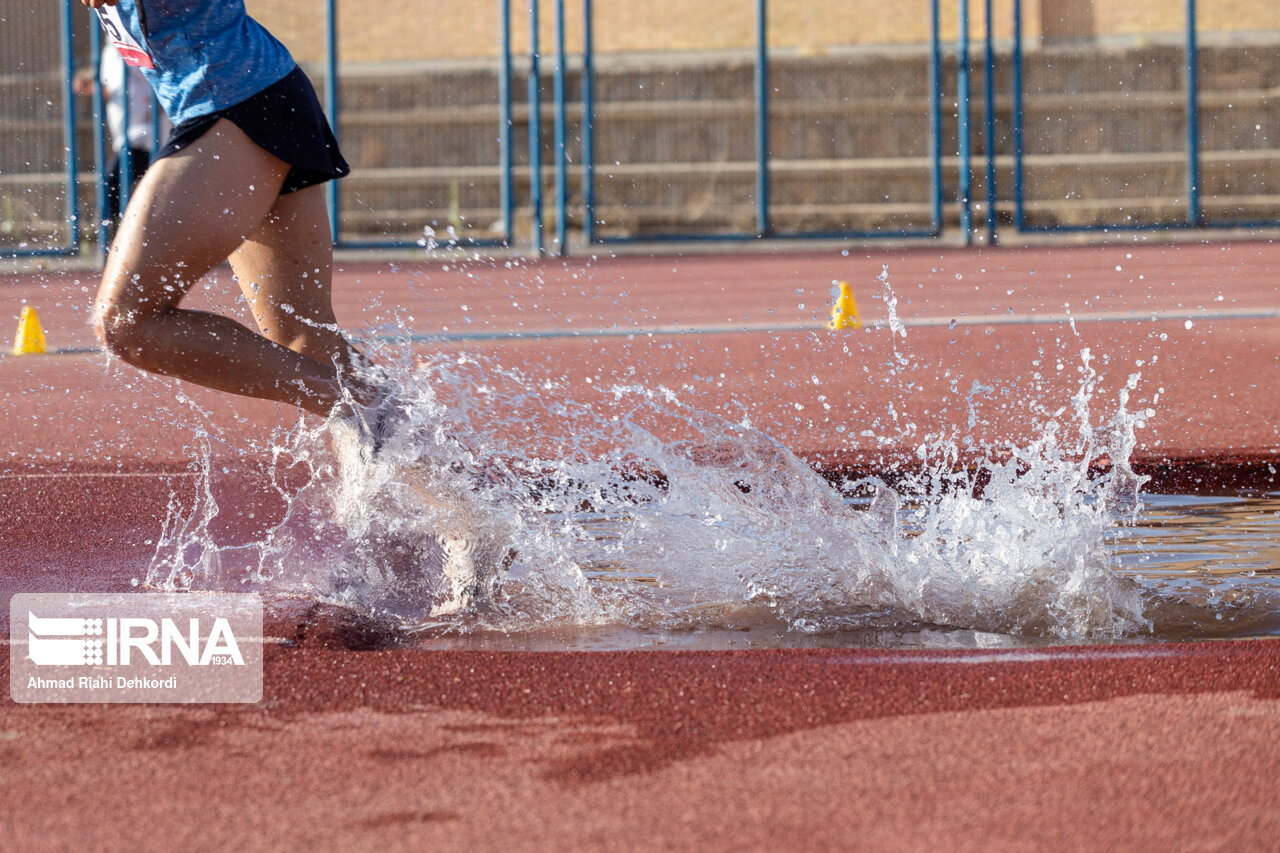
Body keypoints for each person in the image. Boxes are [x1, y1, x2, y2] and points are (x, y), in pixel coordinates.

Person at [83, 0, 387, 433]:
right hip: (258, 96)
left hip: (235, 103)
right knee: (306, 342)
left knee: (128, 324)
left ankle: (360, 403)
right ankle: (479, 494)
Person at [73, 41, 162, 238]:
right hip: (127, 132)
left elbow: (151, 79)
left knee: (112, 183)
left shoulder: (133, 42)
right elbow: (113, 87)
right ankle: (123, 233)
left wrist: (156, 107)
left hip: (143, 133)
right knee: (123, 185)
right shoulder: (109, 50)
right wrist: (90, 87)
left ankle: (117, 235)